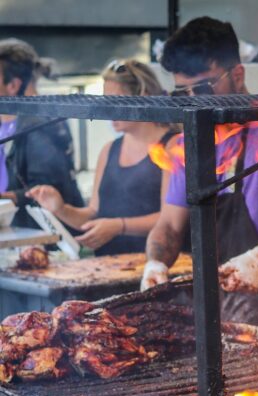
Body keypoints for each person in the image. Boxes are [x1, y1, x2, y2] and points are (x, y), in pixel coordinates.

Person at [140, 17, 258, 331]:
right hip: (217, 310)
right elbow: (169, 224)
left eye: (203, 88)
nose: (195, 101)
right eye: (183, 93)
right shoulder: (190, 146)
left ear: (237, 74)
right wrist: (155, 262)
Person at [27, 60, 176, 256]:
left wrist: (119, 226)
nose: (109, 110)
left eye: (116, 100)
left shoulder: (172, 146)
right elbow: (92, 214)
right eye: (106, 102)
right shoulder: (109, 150)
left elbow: (173, 218)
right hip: (110, 267)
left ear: (144, 96)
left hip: (157, 262)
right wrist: (61, 209)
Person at [0, 39, 84, 228]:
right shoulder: (5, 122)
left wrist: (9, 198)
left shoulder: (41, 125)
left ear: (13, 85)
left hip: (41, 237)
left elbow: (48, 189)